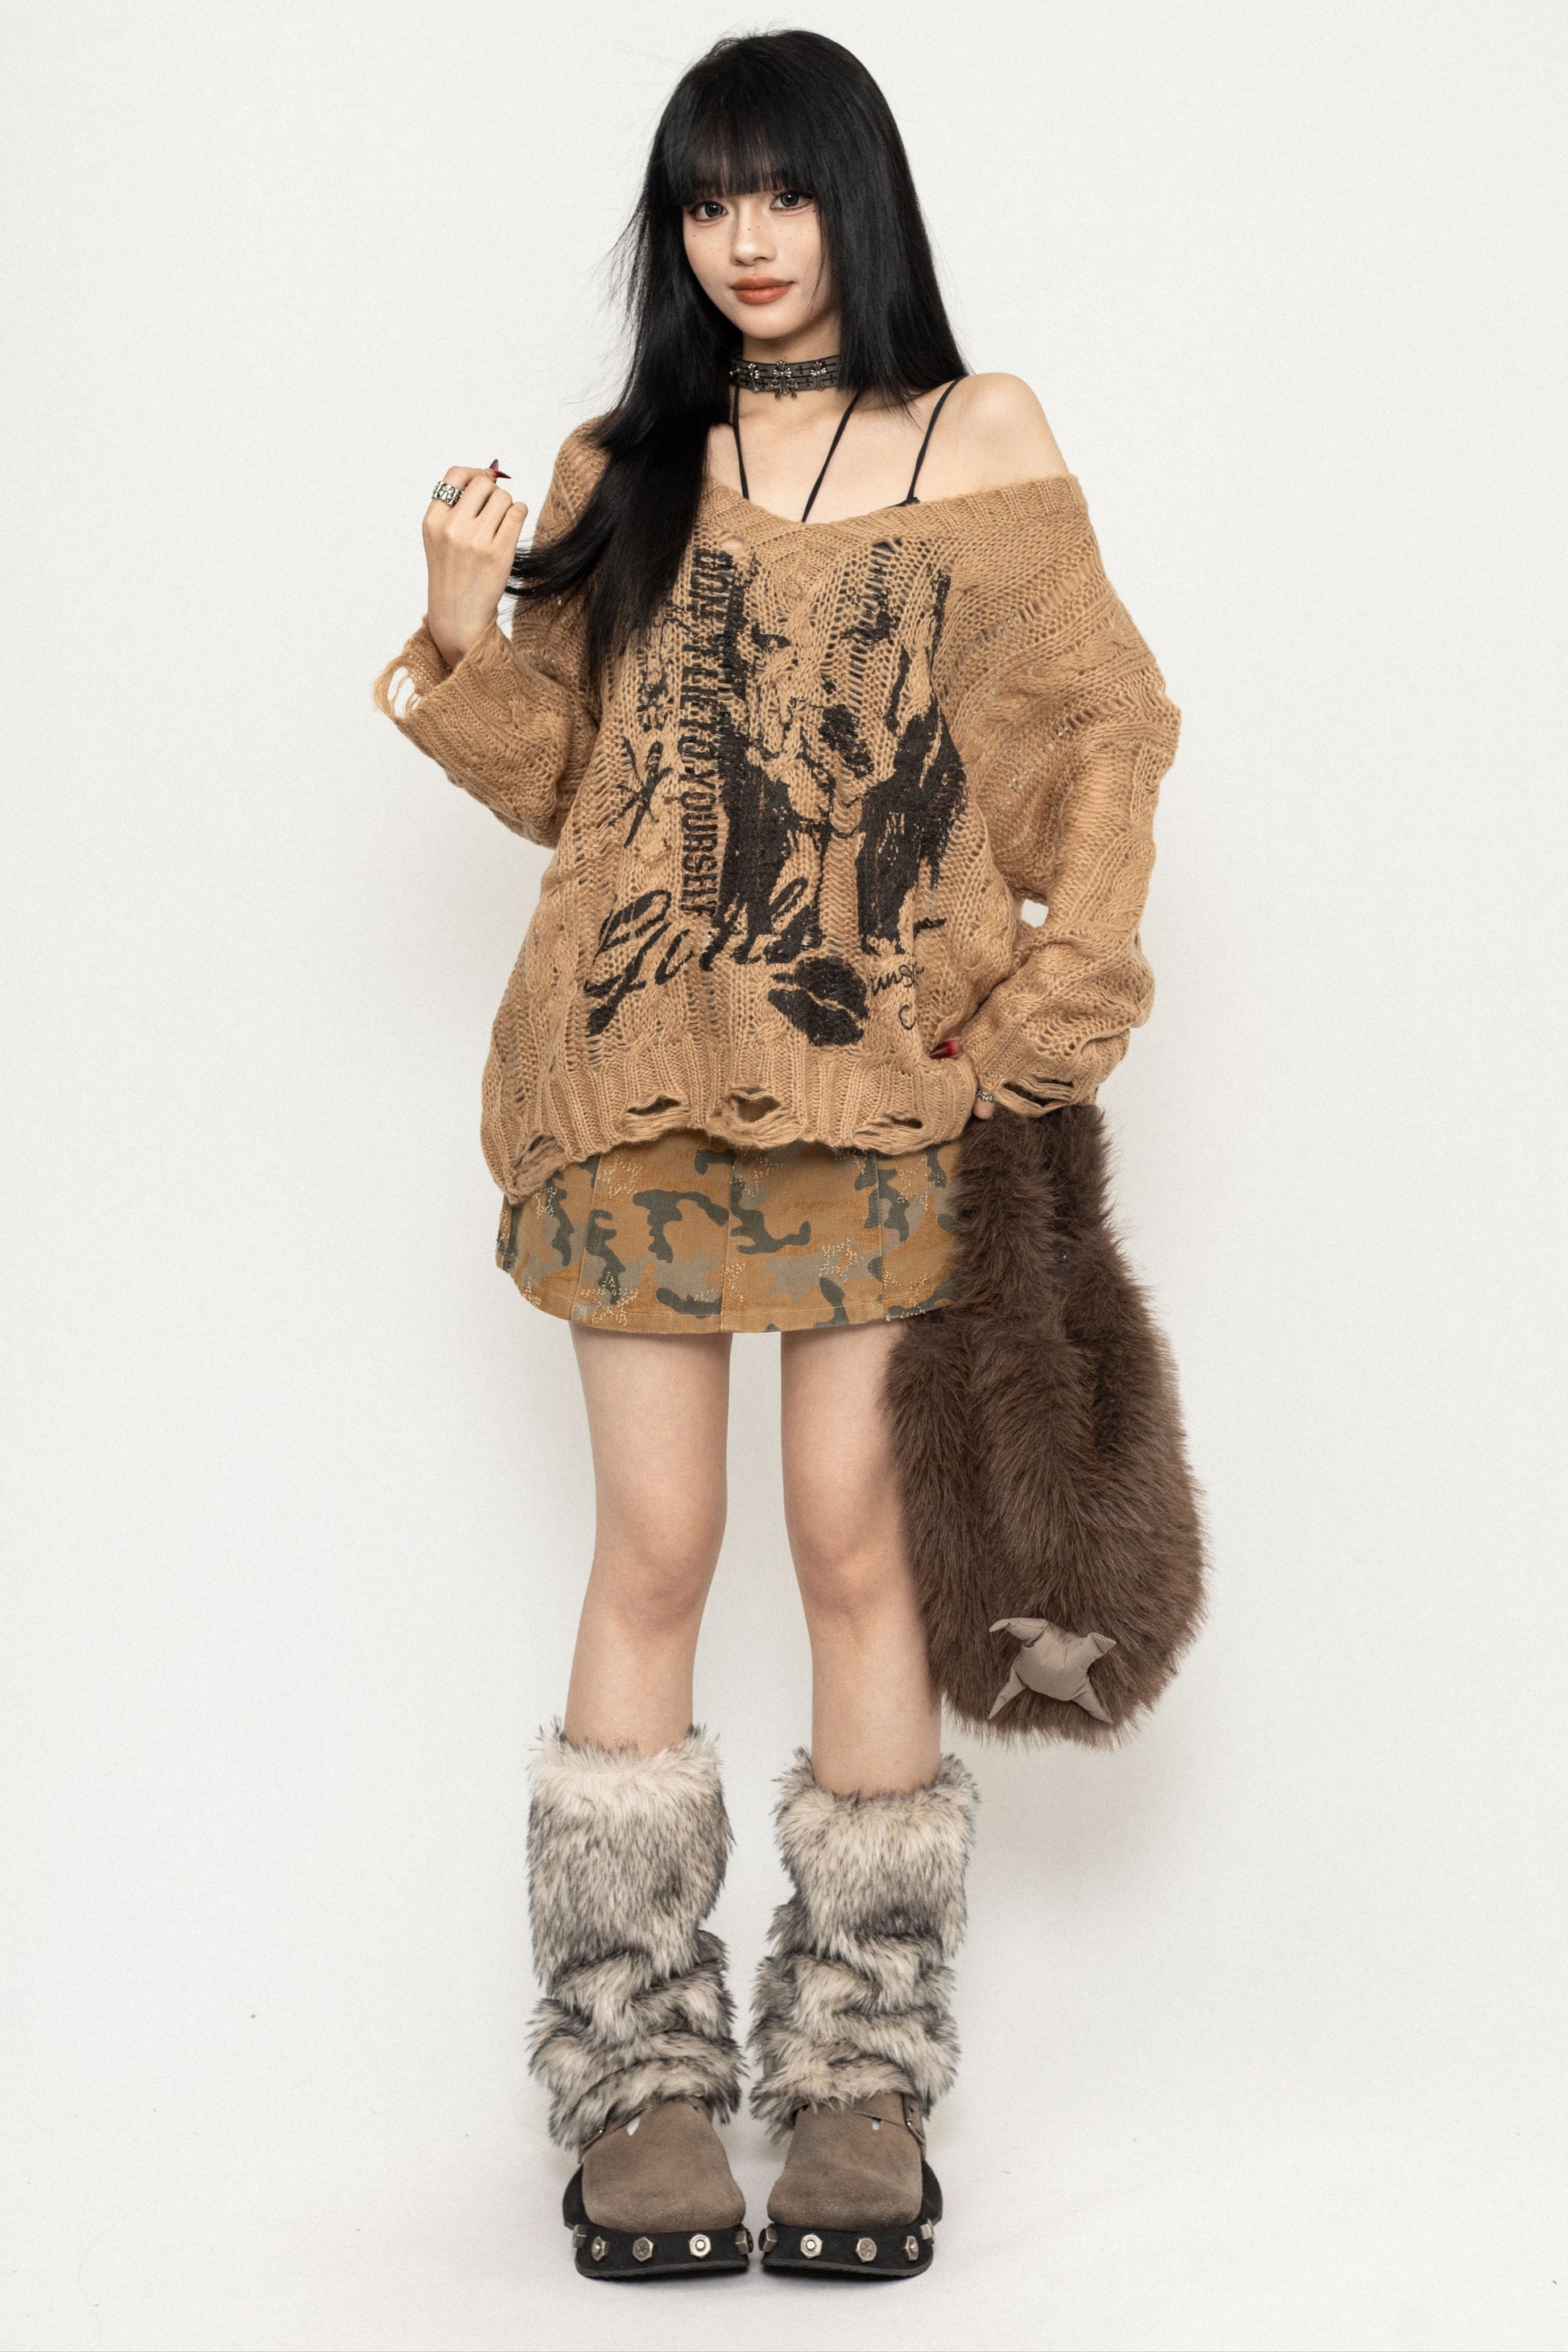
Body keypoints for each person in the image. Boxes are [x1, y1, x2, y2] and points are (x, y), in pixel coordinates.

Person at [373, 27, 1180, 2284]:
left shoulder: (979, 435)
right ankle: (633, 2075)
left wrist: (1050, 1006)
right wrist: (459, 626)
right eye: (706, 198)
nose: (744, 238)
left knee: (851, 1543)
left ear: (857, 200)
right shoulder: (624, 460)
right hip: (629, 1075)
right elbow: (570, 783)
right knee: (657, 1545)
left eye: (783, 189)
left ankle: (859, 2072)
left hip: (879, 1092)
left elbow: (1101, 732)